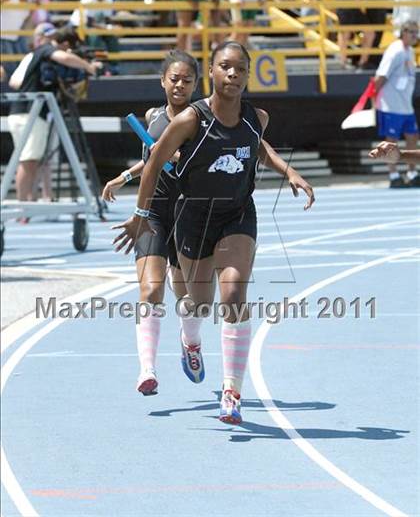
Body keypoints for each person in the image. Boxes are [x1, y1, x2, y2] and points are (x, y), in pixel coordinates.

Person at [112, 41, 315, 424]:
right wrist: (139, 214)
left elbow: (258, 147)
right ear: (212, 71)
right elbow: (153, 163)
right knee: (198, 304)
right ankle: (190, 338)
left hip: (237, 214)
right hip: (193, 218)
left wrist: (289, 171)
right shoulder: (191, 119)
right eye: (225, 67)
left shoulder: (258, 117)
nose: (233, 74)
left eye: (240, 69)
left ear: (248, 75)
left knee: (234, 292)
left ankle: (232, 391)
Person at [102, 50, 199, 395]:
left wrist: (179, 156)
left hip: (189, 214)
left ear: (195, 85)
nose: (179, 85)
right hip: (153, 211)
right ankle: (147, 369)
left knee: (187, 297)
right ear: (163, 81)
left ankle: (190, 342)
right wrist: (124, 176)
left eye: (187, 80)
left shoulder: (201, 121)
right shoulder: (153, 116)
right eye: (174, 78)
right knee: (151, 289)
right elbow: (150, 159)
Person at [7, 26, 101, 203]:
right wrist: (89, 67)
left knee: (31, 160)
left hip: (24, 113)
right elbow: (64, 57)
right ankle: (23, 206)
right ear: (63, 43)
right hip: (30, 114)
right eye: (69, 48)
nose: (69, 53)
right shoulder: (47, 49)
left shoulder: (40, 56)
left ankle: (29, 203)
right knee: (29, 161)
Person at [374, 20, 419, 188]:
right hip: (391, 104)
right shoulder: (395, 51)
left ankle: (412, 172)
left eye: (417, 32)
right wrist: (373, 97)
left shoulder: (411, 52)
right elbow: (381, 75)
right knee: (391, 140)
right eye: (412, 32)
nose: (415, 36)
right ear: (403, 32)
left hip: (406, 105)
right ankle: (393, 174)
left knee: (412, 137)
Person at [70, 0, 120, 74]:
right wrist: (106, 28)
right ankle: (97, 63)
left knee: (112, 38)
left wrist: (112, 28)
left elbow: (107, 20)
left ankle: (114, 65)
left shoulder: (108, 0)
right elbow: (89, 23)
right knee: (95, 37)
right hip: (78, 27)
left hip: (97, 28)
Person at [0, 0, 34, 76]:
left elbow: (26, 18)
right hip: (3, 36)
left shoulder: (30, 0)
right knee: (11, 67)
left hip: (16, 37)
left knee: (23, 64)